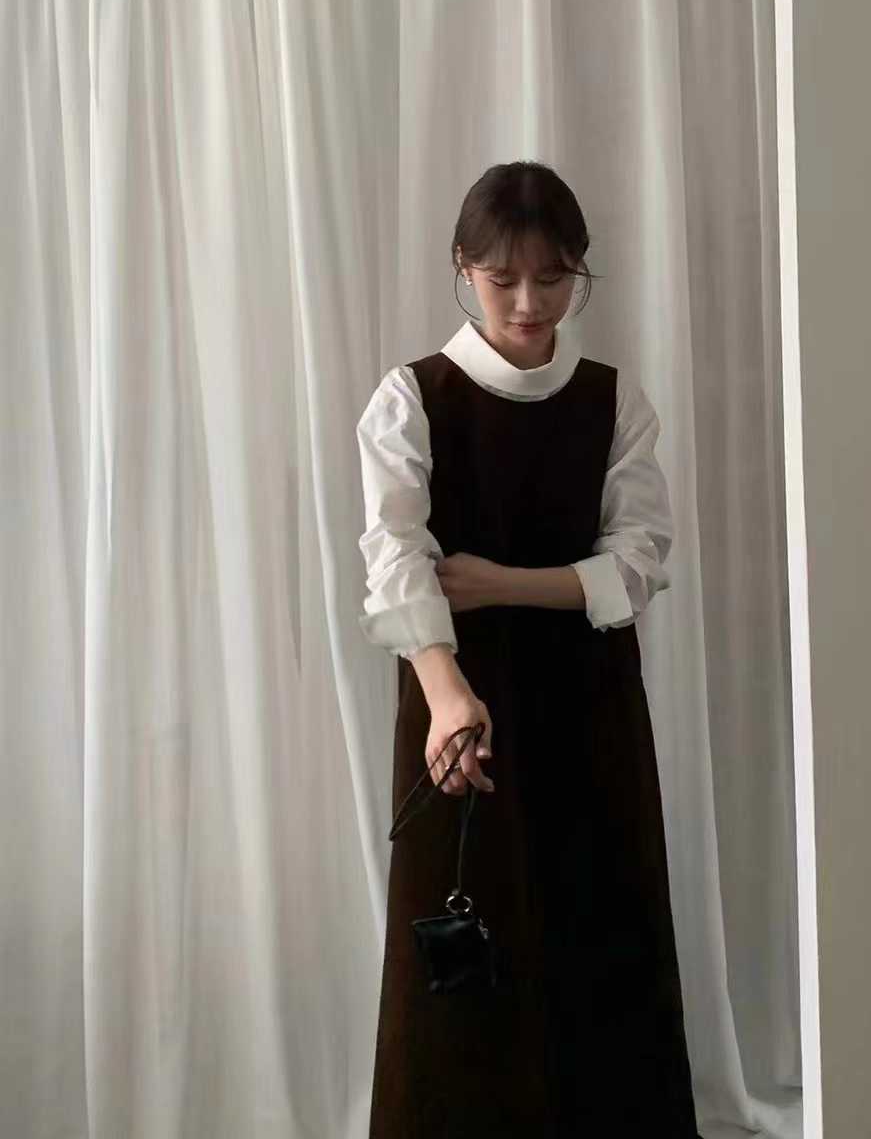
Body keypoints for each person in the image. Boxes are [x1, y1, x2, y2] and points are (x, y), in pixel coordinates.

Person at [357, 161, 702, 1138]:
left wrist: (501, 583)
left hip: (588, 698)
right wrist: (446, 695)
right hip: (458, 701)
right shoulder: (412, 397)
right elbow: (394, 558)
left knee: (603, 929)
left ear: (578, 271)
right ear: (462, 268)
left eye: (552, 278)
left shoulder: (611, 400)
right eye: (501, 278)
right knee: (465, 954)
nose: (527, 302)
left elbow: (639, 562)